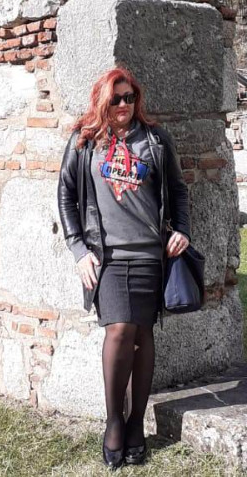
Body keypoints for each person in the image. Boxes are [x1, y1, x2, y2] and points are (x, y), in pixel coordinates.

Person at [56, 66, 191, 469]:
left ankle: (136, 425)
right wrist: (79, 249)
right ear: (102, 100)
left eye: (129, 97)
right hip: (108, 257)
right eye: (115, 98)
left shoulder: (155, 140)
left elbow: (178, 191)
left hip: (149, 255)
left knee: (143, 335)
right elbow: (66, 194)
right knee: (118, 331)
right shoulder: (85, 142)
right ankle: (115, 421)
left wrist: (182, 231)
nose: (123, 105)